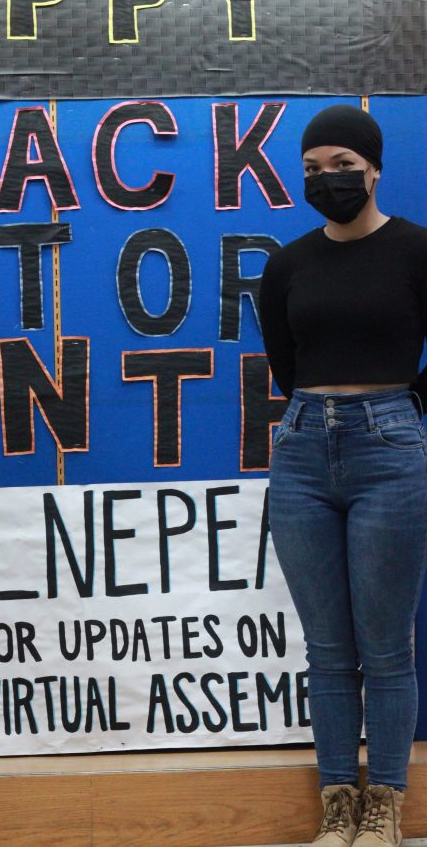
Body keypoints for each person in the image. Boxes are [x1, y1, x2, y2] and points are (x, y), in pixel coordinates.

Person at [259, 104, 427, 847]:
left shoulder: (418, 251)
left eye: (341, 166)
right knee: (326, 645)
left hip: (389, 451)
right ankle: (338, 804)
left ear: (374, 167)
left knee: (386, 643)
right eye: (312, 170)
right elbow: (285, 367)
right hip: (300, 451)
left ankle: (384, 803)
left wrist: (405, 408)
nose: (328, 180)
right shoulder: (287, 264)